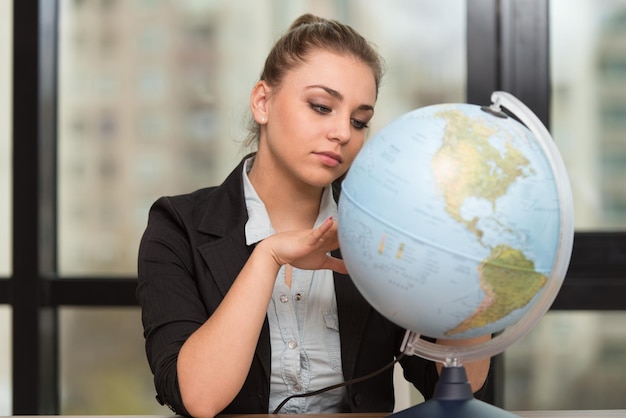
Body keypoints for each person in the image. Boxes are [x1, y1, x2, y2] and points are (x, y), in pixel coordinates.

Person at [137, 13, 490, 418]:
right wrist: (268, 256)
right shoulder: (177, 227)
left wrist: (465, 283)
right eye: (322, 107)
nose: (343, 133)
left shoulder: (379, 228)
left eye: (360, 121)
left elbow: (450, 379)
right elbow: (198, 397)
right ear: (262, 102)